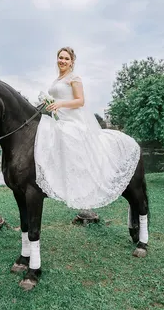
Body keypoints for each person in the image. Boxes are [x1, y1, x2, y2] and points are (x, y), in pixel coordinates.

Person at [34, 47, 140, 209]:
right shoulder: (57, 80)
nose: (62, 61)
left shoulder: (74, 78)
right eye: (60, 58)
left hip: (73, 120)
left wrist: (60, 103)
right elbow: (57, 99)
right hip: (58, 118)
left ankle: (79, 180)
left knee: (67, 135)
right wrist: (48, 104)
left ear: (72, 62)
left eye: (66, 59)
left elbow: (80, 101)